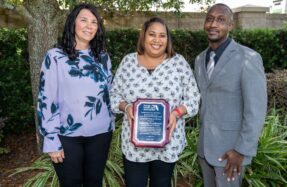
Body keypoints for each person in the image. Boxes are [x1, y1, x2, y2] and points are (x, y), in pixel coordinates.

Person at [110, 17, 200, 187]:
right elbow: (113, 95)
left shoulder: (178, 63)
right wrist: (126, 106)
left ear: (168, 39)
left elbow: (194, 98)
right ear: (143, 37)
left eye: (162, 35)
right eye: (152, 34)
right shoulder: (128, 62)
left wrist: (177, 112)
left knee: (162, 183)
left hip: (168, 142)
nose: (157, 40)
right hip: (134, 145)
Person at [36, 3, 114, 187]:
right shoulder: (55, 56)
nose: (89, 26)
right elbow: (46, 99)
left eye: (94, 22)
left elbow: (110, 94)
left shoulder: (102, 57)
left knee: (94, 183)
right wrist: (51, 139)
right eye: (84, 20)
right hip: (66, 136)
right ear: (73, 23)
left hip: (101, 134)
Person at [194, 3, 267, 187]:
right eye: (209, 19)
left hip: (231, 153)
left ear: (231, 26)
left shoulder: (248, 58)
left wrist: (242, 150)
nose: (213, 24)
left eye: (221, 20)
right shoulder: (199, 59)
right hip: (204, 149)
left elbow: (256, 111)